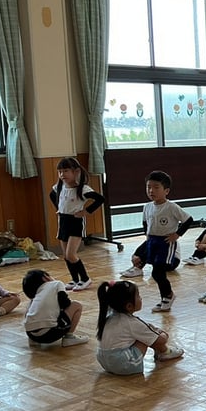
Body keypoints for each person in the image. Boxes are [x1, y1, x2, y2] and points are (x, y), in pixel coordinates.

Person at [120, 170, 194, 313]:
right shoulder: (147, 206)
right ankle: (165, 296)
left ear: (166, 191)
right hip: (152, 240)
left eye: (156, 187)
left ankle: (168, 296)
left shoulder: (171, 207)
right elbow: (145, 223)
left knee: (158, 272)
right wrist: (146, 237)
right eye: (148, 187)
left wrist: (177, 234)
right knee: (154, 271)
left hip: (165, 242)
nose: (151, 190)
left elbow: (188, 220)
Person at [96, 280, 184, 375]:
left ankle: (163, 352)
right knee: (146, 337)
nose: (141, 298)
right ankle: (166, 352)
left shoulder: (108, 318)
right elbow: (160, 340)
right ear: (129, 306)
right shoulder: (132, 322)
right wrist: (163, 333)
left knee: (145, 334)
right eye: (138, 296)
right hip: (122, 364)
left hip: (104, 361)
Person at [49, 157, 105, 291]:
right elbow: (52, 195)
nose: (62, 174)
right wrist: (58, 208)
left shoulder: (83, 189)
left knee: (71, 254)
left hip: (75, 222)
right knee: (66, 256)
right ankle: (75, 279)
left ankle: (85, 279)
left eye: (66, 171)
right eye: (60, 172)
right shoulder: (59, 187)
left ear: (76, 171)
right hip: (63, 221)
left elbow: (100, 199)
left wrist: (86, 211)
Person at [21, 269, 87, 347]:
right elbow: (64, 302)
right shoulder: (56, 283)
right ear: (45, 277)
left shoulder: (37, 293)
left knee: (31, 305)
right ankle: (69, 337)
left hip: (31, 334)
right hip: (50, 334)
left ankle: (33, 341)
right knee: (76, 305)